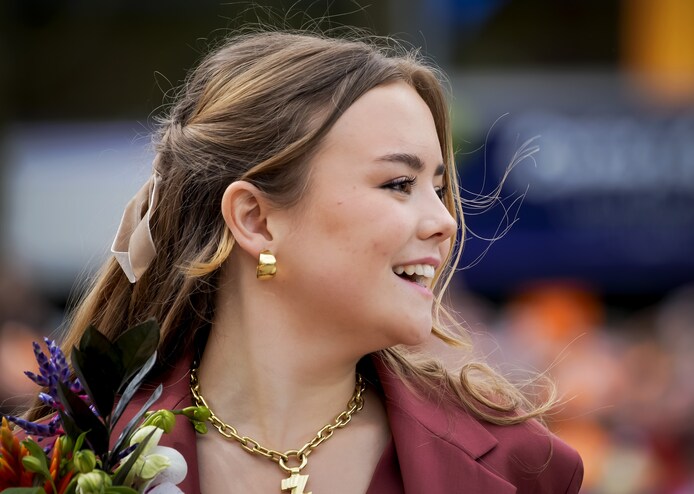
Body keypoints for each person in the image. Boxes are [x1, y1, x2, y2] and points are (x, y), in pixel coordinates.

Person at [42, 30, 583, 493]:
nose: (445, 222)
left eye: (438, 189)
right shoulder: (58, 464)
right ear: (256, 220)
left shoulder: (527, 466)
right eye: (399, 183)